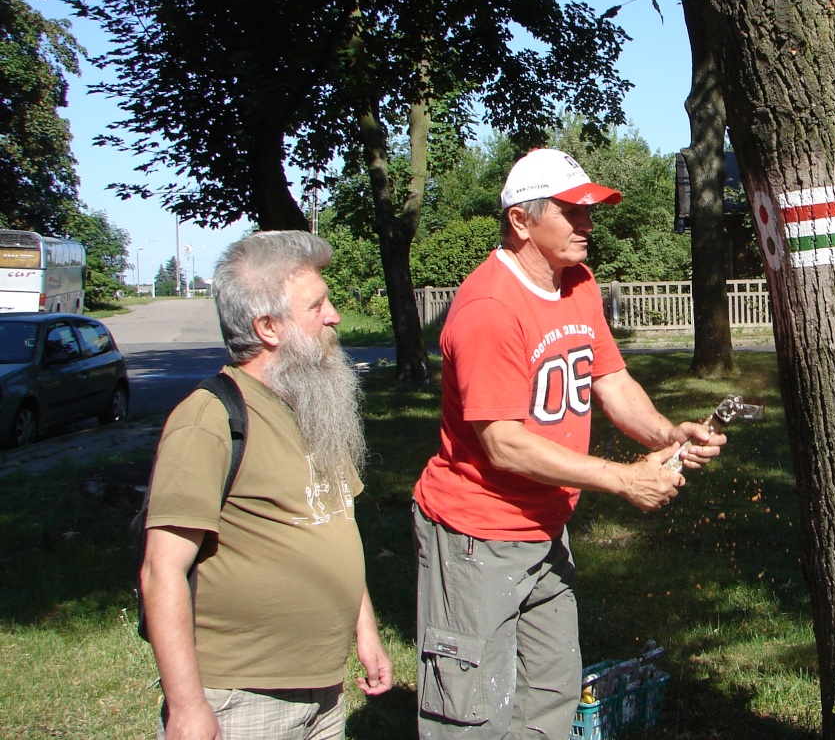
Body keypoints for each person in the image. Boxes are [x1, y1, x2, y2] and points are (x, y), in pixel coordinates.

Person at [412, 148, 727, 740]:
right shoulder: (488, 308)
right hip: (477, 535)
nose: (587, 225)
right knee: (470, 712)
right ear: (521, 221)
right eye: (571, 211)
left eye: (590, 211)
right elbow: (502, 444)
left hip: (546, 526)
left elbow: (608, 377)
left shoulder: (577, 282)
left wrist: (667, 433)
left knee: (551, 695)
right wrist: (623, 478)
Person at [139, 231, 393, 740]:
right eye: (317, 305)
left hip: (323, 689)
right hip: (242, 697)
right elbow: (160, 571)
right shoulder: (208, 419)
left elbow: (333, 523)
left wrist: (366, 632)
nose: (335, 315)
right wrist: (188, 707)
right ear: (268, 326)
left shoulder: (316, 406)